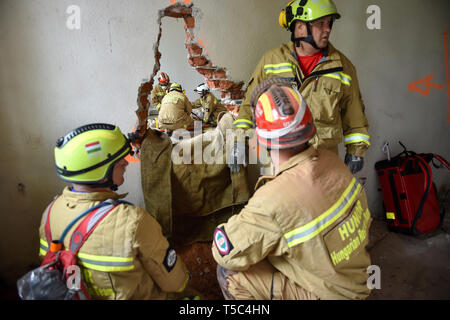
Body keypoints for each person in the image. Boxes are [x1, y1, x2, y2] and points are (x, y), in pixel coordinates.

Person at [212, 79, 373, 300]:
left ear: (260, 137)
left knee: (230, 273)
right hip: (359, 278)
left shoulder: (273, 199)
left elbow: (226, 254)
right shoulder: (333, 161)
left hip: (330, 294)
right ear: (309, 127)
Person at [38, 123, 192, 299]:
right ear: (102, 172)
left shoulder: (50, 213)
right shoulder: (133, 221)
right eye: (119, 162)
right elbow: (174, 282)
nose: (126, 163)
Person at [231, 0, 370, 174]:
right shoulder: (271, 61)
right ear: (299, 27)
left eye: (329, 23)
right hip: (280, 163)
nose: (327, 29)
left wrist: (356, 151)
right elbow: (248, 106)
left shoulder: (343, 67)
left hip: (322, 164)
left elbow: (354, 113)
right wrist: (238, 141)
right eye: (320, 23)